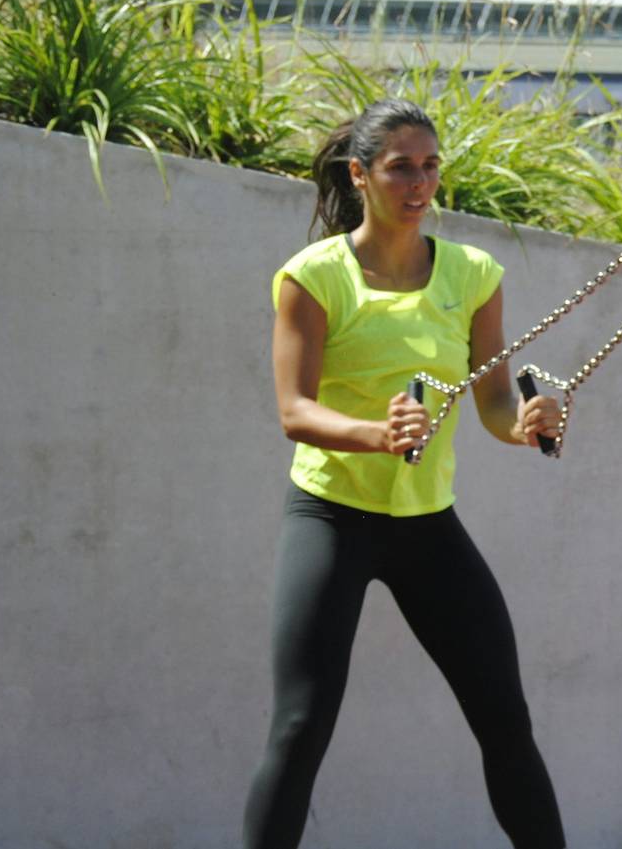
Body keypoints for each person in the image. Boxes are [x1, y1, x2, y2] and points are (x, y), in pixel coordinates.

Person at [243, 98, 567, 849]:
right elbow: (294, 411)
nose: (419, 183)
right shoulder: (314, 277)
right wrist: (376, 434)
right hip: (330, 516)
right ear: (360, 175)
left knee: (506, 721)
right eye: (399, 168)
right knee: (299, 726)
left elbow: (492, 400)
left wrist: (525, 424)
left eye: (429, 166)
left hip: (427, 525)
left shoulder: (473, 274)